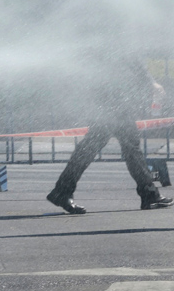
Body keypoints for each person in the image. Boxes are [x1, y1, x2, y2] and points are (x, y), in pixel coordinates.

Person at [46, 58, 173, 214]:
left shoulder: (100, 42)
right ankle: (149, 194)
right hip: (112, 97)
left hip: (105, 96)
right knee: (127, 147)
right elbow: (126, 54)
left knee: (96, 146)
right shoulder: (116, 42)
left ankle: (62, 191)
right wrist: (150, 81)